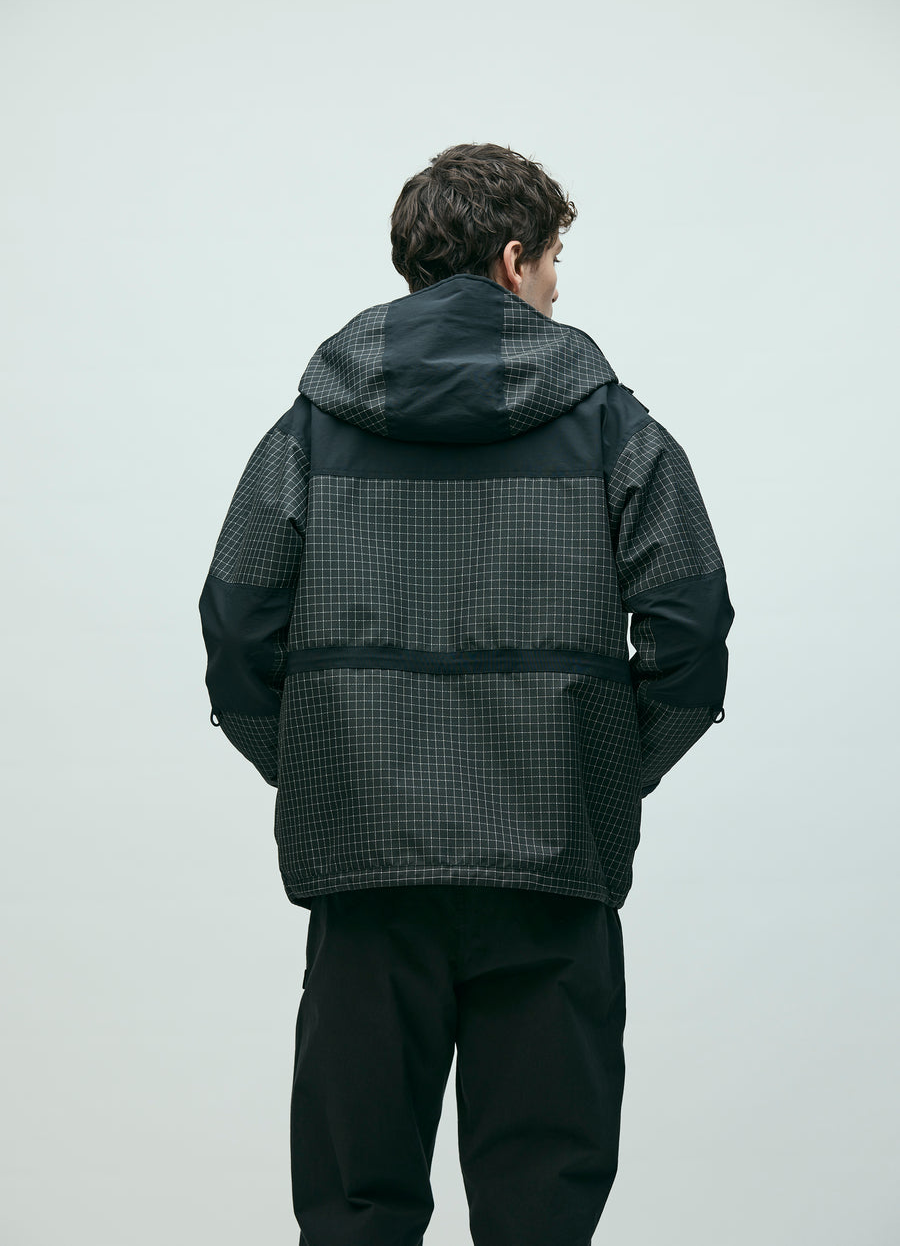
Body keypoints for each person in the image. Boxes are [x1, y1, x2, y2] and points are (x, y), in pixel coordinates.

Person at [198, 142, 735, 1246]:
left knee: (355, 1205)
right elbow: (689, 629)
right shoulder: (611, 423)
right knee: (541, 1209)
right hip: (550, 867)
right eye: (554, 260)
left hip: (368, 867)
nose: (557, 287)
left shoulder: (312, 424)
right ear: (512, 258)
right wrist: (593, 776)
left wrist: (322, 770)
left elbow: (237, 623)